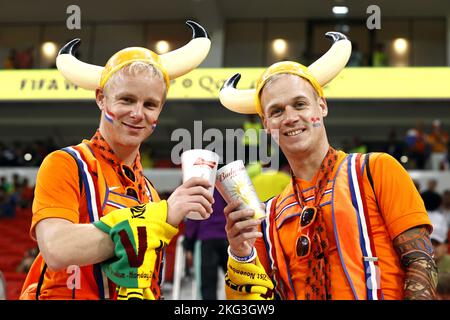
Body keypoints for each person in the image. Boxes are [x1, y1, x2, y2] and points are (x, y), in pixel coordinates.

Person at [219, 32, 436, 300]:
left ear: (321, 106)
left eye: (299, 104)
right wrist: (240, 251)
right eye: (276, 111)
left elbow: (421, 261)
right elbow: (252, 300)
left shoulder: (376, 169)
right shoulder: (269, 214)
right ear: (266, 125)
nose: (290, 118)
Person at [20, 20, 212, 300]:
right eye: (126, 100)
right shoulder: (65, 163)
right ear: (101, 99)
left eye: (150, 104)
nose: (137, 114)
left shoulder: (149, 191)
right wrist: (159, 217)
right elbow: (57, 249)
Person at [183, 190, 228, 300]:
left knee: (208, 288)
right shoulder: (226, 183)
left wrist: (188, 244)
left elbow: (194, 219)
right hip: (228, 239)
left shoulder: (201, 186)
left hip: (207, 239)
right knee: (237, 283)